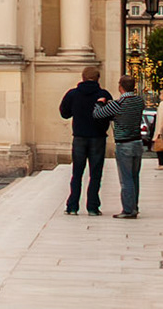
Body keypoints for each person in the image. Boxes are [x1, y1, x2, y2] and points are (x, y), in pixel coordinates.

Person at [58, 64, 111, 215]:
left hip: (80, 137)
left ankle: (73, 205)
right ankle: (93, 206)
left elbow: (64, 113)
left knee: (77, 173)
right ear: (98, 78)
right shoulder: (104, 94)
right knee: (95, 173)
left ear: (82, 77)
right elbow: (110, 114)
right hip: (98, 137)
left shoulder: (73, 94)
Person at [93, 75, 146, 219]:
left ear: (120, 86)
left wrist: (100, 103)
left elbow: (97, 114)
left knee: (126, 178)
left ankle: (128, 210)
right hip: (137, 142)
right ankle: (134, 205)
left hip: (124, 143)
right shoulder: (139, 101)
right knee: (135, 177)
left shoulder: (118, 104)